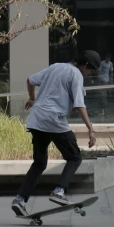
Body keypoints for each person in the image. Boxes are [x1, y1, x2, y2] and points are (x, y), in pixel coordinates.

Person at [11, 50, 101, 217]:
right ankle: (59, 191)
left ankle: (20, 199)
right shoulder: (76, 74)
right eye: (92, 70)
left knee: (39, 163)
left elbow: (30, 80)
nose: (91, 74)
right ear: (86, 65)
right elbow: (80, 105)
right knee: (74, 157)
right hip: (53, 120)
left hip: (37, 119)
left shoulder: (55, 67)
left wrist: (32, 99)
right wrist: (91, 130)